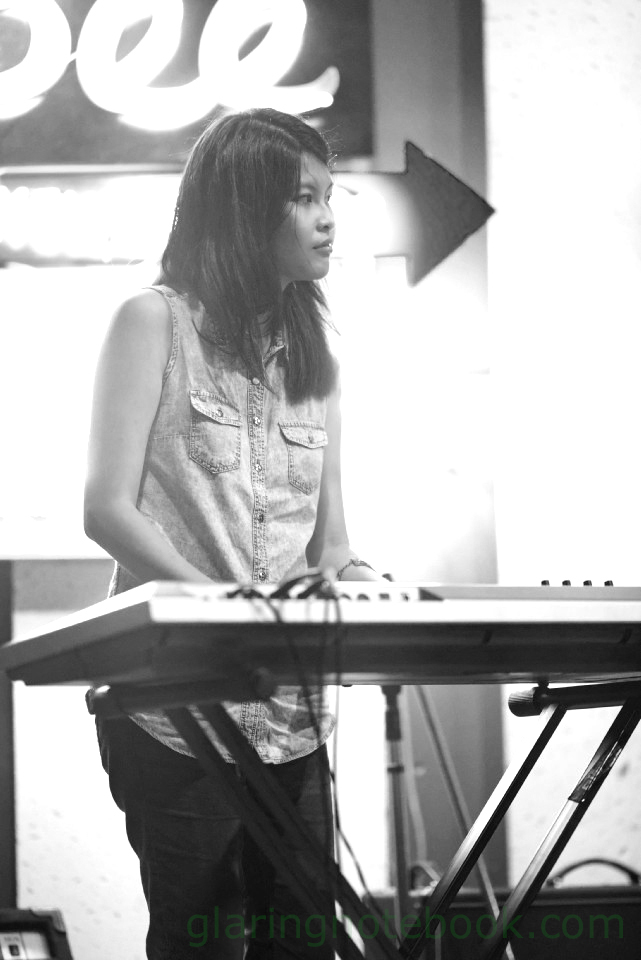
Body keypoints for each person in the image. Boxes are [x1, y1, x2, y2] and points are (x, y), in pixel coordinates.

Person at [83, 107, 381, 960]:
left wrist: (378, 589)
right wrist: (228, 608)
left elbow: (330, 547)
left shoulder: (316, 354)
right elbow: (106, 509)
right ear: (247, 208)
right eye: (304, 198)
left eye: (329, 198)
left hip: (293, 713)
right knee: (203, 943)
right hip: (175, 709)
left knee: (304, 942)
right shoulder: (151, 322)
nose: (326, 219)